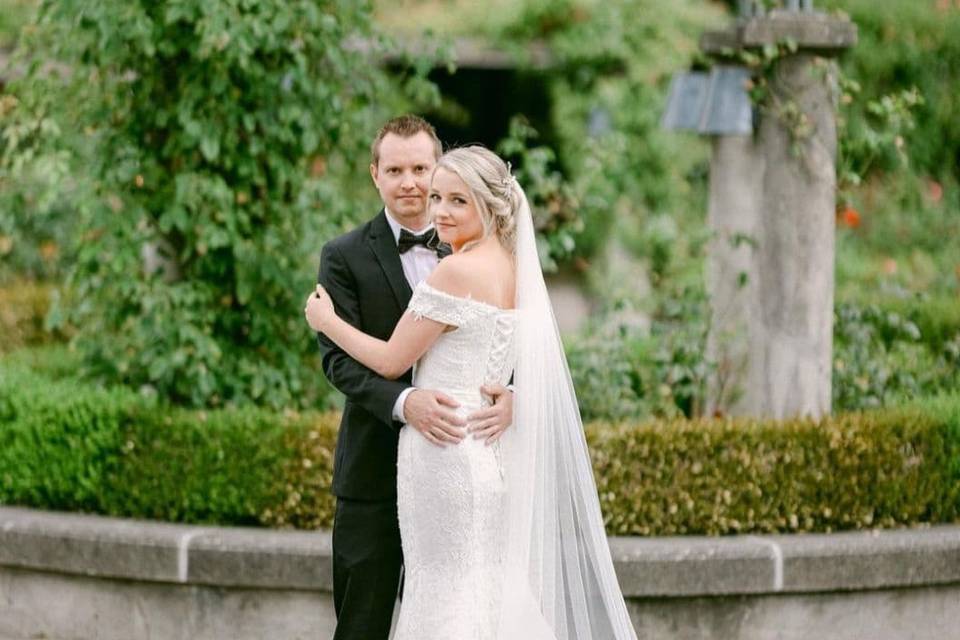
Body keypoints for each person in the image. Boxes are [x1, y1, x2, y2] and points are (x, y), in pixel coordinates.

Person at [305, 145, 637, 639]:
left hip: (444, 456)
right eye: (438, 196)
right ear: (375, 174)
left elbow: (395, 360)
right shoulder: (513, 266)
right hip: (478, 456)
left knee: (444, 593)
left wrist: (326, 321)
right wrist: (507, 395)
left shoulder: (456, 268)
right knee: (476, 588)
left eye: (456, 200)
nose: (438, 209)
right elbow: (519, 348)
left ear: (488, 203)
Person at [311, 116, 514, 640]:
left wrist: (510, 393)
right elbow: (338, 362)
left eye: (421, 167)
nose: (411, 182)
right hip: (374, 472)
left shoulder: (472, 246)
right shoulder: (343, 256)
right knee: (363, 626)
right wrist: (406, 404)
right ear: (374, 173)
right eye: (395, 169)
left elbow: (507, 340)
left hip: (458, 467)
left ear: (439, 166)